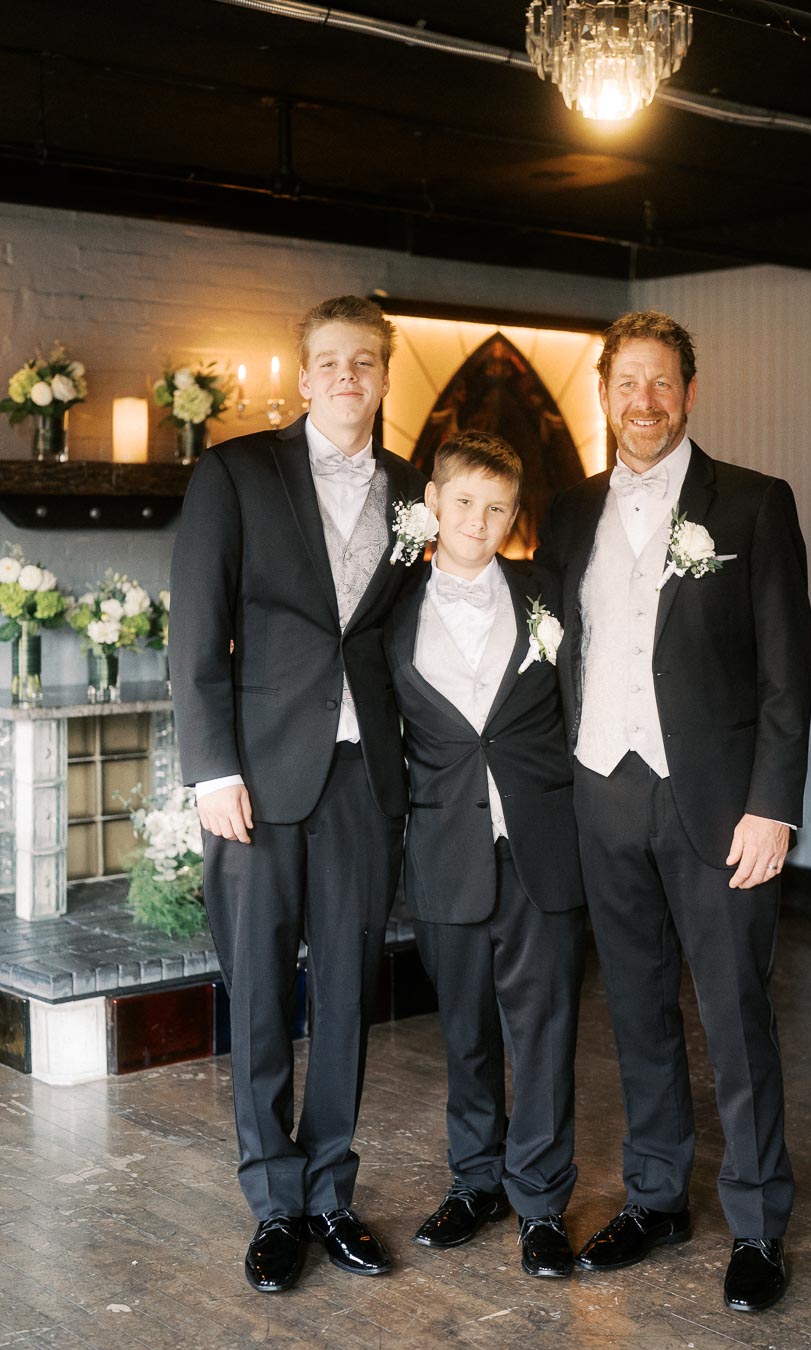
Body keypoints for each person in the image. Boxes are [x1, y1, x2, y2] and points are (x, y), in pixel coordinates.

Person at [536, 310, 811, 1312]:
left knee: (736, 1015)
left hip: (719, 805)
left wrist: (772, 806)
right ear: (603, 394)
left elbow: (788, 673)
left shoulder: (751, 503)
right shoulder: (567, 513)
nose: (643, 402)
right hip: (601, 793)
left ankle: (758, 1223)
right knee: (639, 1013)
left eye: (662, 384)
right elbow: (556, 649)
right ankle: (657, 1198)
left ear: (688, 394)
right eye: (627, 384)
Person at [168, 295, 426, 1293]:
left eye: (366, 361)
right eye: (331, 361)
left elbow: (405, 635)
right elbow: (196, 629)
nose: (349, 377)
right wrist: (211, 767)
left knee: (351, 995)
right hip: (259, 782)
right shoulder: (237, 471)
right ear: (303, 374)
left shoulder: (413, 491)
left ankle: (331, 1193)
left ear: (382, 374)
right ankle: (275, 1202)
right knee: (265, 993)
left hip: (369, 781)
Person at [385, 430, 586, 1279]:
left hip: (541, 844)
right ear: (433, 501)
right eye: (464, 501)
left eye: (497, 506)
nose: (479, 518)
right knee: (464, 1030)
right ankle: (477, 1181)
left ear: (514, 515)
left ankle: (539, 1200)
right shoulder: (387, 612)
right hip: (443, 845)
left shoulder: (549, 595)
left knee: (542, 1031)